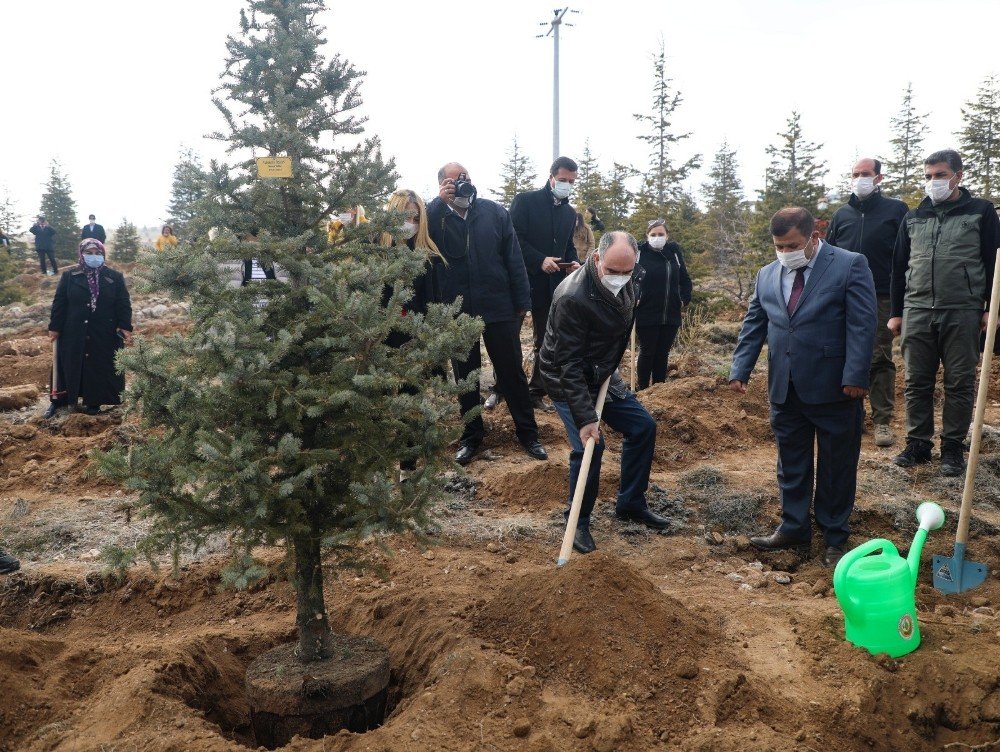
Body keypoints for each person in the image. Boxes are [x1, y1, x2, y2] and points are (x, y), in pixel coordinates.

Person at [729, 208, 876, 568]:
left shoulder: (849, 264)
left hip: (835, 388)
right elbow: (754, 324)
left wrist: (855, 376)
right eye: (779, 246)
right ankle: (794, 527)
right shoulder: (766, 274)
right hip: (786, 387)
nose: (785, 252)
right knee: (791, 464)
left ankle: (834, 536)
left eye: (792, 244)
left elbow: (862, 323)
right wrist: (740, 369)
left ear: (814, 236)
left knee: (836, 466)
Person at [539, 230, 666, 554]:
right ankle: (577, 522)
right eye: (613, 271)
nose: (621, 278)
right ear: (597, 259)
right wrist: (585, 419)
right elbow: (568, 363)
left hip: (604, 372)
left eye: (627, 272)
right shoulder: (572, 297)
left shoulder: (632, 275)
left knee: (643, 427)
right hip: (566, 377)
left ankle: (631, 503)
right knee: (591, 446)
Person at [427, 161, 546, 465]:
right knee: (465, 376)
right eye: (453, 181)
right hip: (458, 309)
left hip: (498, 305)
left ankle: (528, 434)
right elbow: (423, 246)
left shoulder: (494, 212)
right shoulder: (435, 217)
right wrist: (439, 203)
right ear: (442, 185)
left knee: (512, 372)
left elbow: (514, 259)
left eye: (465, 178)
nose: (461, 184)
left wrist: (522, 301)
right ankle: (471, 436)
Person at [889, 149, 1000, 476]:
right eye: (928, 176)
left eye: (939, 175)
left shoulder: (980, 213)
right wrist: (896, 312)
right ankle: (918, 444)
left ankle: (952, 448)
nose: (933, 182)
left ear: (958, 176)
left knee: (960, 382)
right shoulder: (913, 217)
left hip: (963, 311)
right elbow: (898, 267)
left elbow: (995, 264)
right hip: (917, 310)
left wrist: (991, 310)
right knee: (916, 381)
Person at [826, 158, 909, 448]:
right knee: (840, 353)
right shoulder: (841, 215)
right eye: (855, 174)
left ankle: (883, 421)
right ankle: (852, 417)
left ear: (878, 178)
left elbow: (905, 255)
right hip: (842, 295)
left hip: (881, 295)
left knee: (878, 356)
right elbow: (828, 256)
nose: (860, 178)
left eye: (866, 174)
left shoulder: (896, 211)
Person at [380, 189, 446, 475]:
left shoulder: (428, 257)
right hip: (379, 340)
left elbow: (433, 303)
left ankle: (407, 467)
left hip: (414, 341)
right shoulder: (377, 252)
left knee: (409, 403)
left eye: (415, 216)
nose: (409, 221)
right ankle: (378, 464)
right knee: (381, 401)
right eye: (404, 214)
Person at [510, 156, 581, 410]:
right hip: (519, 281)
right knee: (509, 338)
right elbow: (513, 238)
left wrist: (574, 263)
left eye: (571, 181)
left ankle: (536, 391)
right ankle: (503, 388)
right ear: (551, 177)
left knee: (546, 340)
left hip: (551, 286)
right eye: (563, 180)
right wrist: (539, 260)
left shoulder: (569, 212)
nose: (567, 185)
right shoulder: (525, 201)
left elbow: (567, 245)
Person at [45, 239, 133, 419]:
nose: (94, 256)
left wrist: (125, 325)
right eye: (89, 253)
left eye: (98, 253)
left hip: (103, 331)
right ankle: (60, 400)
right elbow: (60, 303)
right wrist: (55, 327)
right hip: (73, 331)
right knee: (69, 363)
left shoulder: (114, 277)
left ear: (103, 255)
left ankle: (94, 402)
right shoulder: (70, 277)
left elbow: (123, 302)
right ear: (81, 254)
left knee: (99, 365)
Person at [634, 219, 692, 389]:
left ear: (667, 236)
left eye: (661, 234)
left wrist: (683, 299)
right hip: (646, 310)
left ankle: (659, 388)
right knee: (648, 351)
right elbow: (630, 280)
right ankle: (643, 389)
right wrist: (635, 297)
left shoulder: (673, 252)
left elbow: (685, 279)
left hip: (671, 311)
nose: (657, 237)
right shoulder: (639, 252)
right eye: (653, 234)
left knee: (663, 353)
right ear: (647, 236)